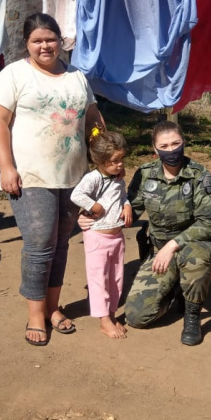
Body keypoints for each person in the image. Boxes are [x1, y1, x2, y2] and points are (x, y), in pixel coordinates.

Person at [0, 12, 104, 347]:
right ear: (27, 43)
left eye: (50, 39)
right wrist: (6, 167)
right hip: (30, 176)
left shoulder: (77, 77)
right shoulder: (14, 75)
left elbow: (93, 120)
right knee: (40, 245)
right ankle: (36, 315)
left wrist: (106, 158)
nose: (45, 46)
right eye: (37, 40)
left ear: (60, 41)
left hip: (73, 176)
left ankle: (53, 308)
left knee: (61, 244)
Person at [80, 121, 211, 346]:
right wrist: (91, 216)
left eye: (176, 143)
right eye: (164, 145)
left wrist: (172, 245)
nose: (171, 149)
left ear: (184, 143)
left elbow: (208, 222)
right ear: (155, 149)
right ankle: (175, 287)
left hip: (192, 246)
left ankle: (192, 315)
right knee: (137, 317)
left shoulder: (199, 176)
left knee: (195, 259)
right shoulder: (145, 175)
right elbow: (127, 210)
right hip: (158, 250)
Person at [70, 130, 132, 339]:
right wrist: (93, 205)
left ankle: (112, 314)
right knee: (99, 280)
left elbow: (122, 195)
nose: (120, 164)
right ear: (100, 161)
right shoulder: (93, 178)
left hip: (117, 237)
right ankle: (103, 320)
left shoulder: (117, 178)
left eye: (122, 159)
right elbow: (76, 194)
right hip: (97, 237)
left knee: (116, 278)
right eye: (115, 161)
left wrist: (127, 205)